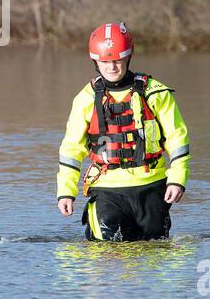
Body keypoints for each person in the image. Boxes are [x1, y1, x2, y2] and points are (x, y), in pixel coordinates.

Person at [56, 22, 190, 241]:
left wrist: (177, 180)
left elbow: (177, 138)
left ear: (128, 56)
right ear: (95, 61)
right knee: (106, 251)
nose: (111, 66)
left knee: (155, 253)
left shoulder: (155, 93)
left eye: (117, 59)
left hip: (152, 187)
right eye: (105, 61)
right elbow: (71, 149)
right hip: (107, 190)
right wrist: (66, 192)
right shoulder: (85, 99)